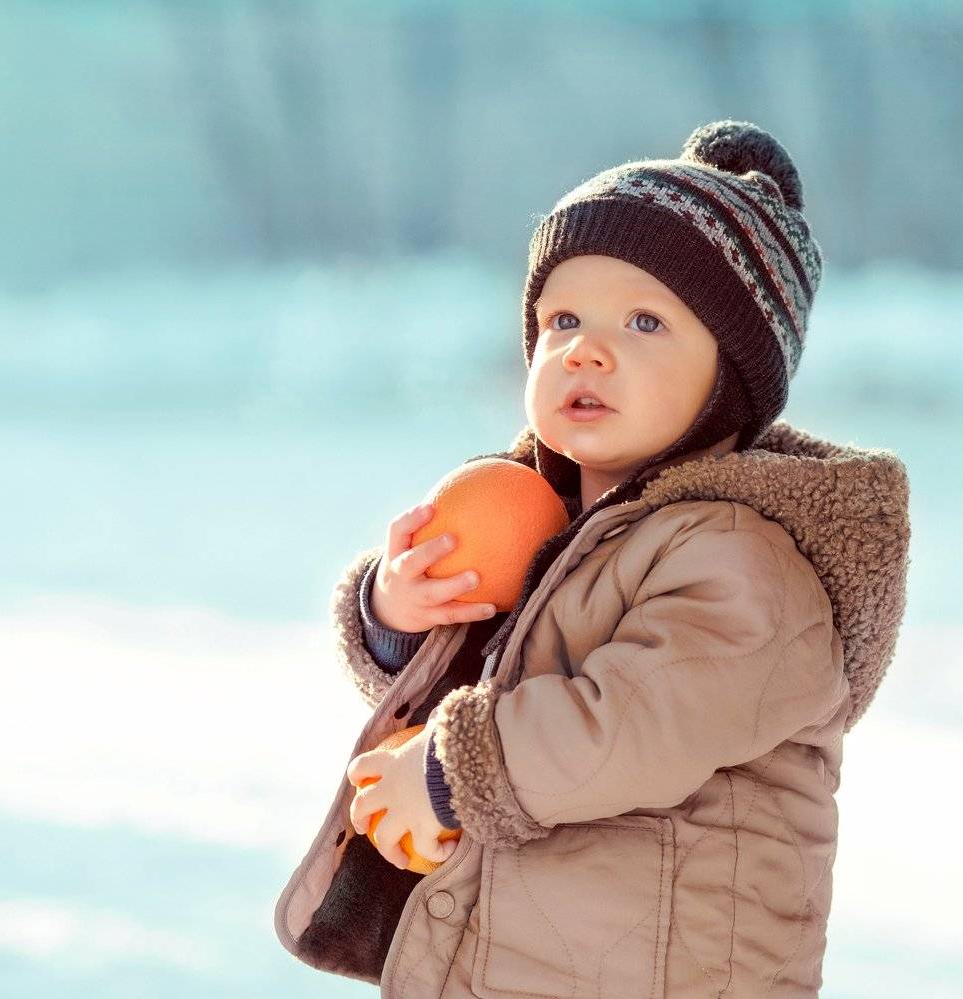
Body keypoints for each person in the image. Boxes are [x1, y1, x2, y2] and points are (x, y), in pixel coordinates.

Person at [273, 119, 911, 999]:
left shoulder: (741, 554)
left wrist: (453, 773)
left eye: (645, 322)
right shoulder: (551, 525)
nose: (586, 349)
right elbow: (485, 666)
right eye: (562, 320)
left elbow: (634, 723)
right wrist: (400, 617)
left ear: (731, 376)